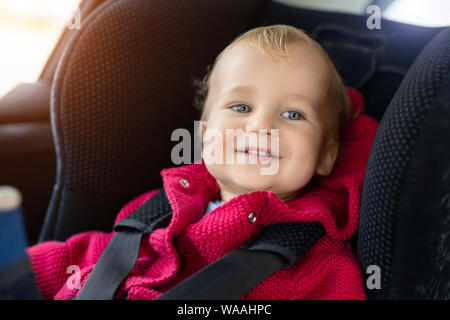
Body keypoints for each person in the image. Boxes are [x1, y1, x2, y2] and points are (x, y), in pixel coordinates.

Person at [27, 25, 379, 300]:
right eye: (241, 107)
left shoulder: (321, 268)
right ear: (207, 136)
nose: (261, 126)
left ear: (325, 156)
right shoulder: (154, 211)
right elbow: (90, 257)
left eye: (293, 113)